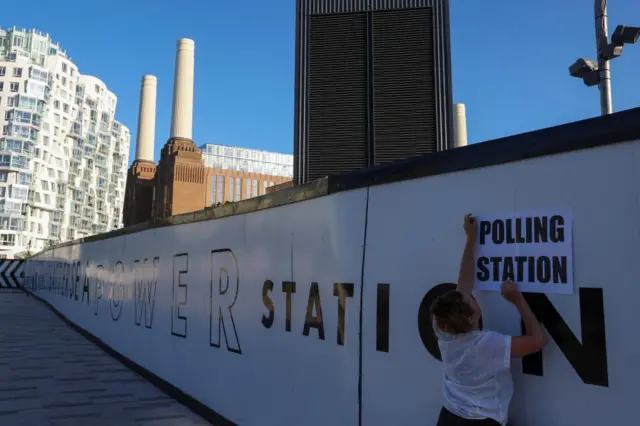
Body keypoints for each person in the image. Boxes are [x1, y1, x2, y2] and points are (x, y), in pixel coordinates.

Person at [431, 214, 547, 426]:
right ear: (473, 316)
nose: (469, 293)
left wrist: (470, 240)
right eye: (470, 299)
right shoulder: (486, 345)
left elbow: (464, 282)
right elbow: (537, 341)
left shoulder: (444, 331)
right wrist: (518, 300)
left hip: (449, 417)